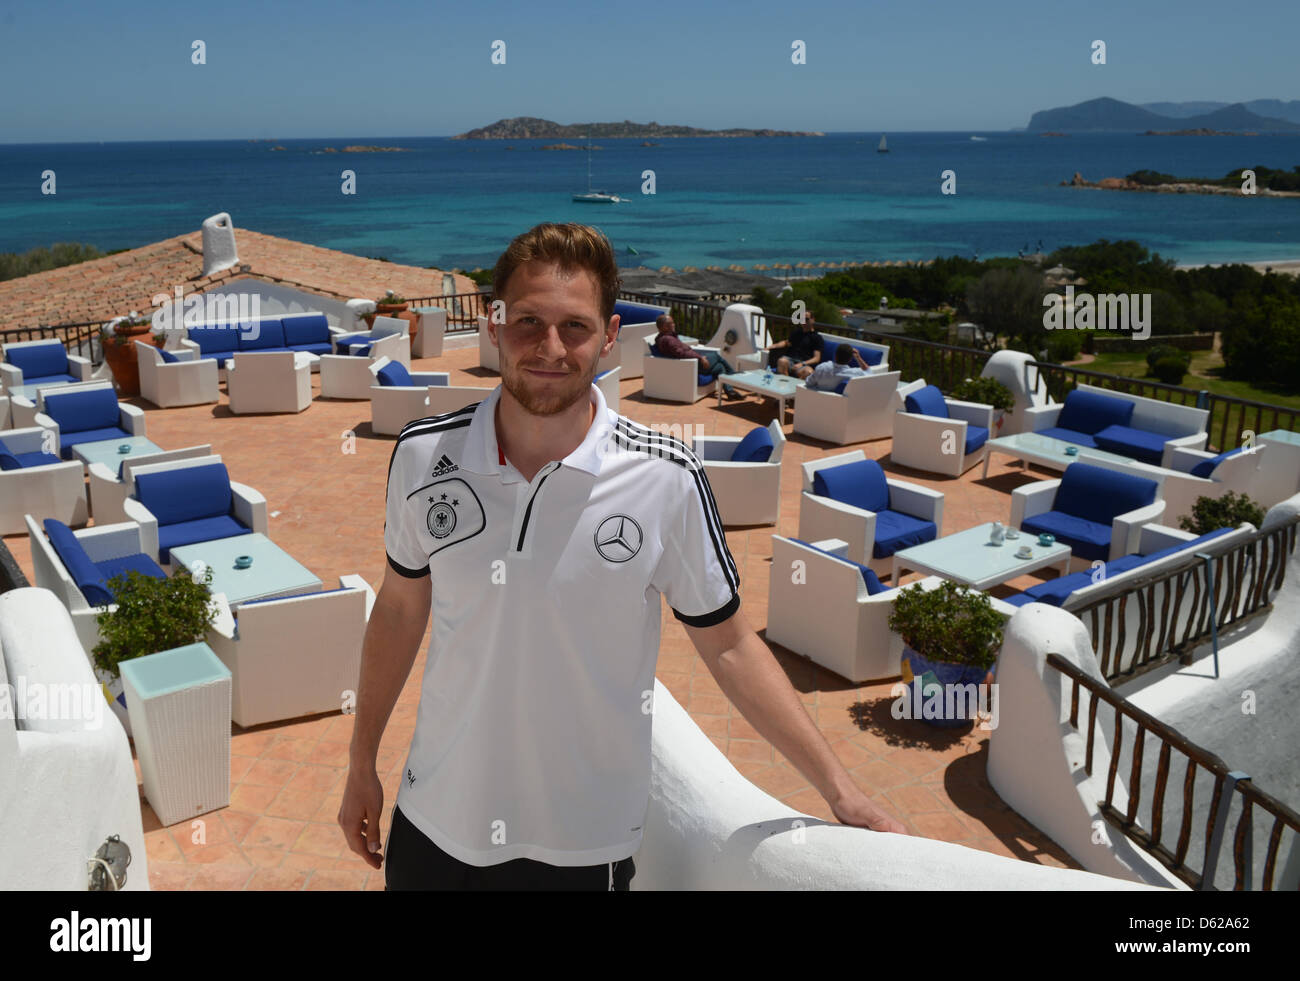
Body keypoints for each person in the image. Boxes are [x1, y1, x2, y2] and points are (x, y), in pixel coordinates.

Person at [338, 222, 907, 891]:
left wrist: (840, 788)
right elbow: (401, 610)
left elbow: (729, 645)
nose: (550, 348)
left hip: (582, 849)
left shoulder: (665, 477)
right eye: (527, 321)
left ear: (608, 337)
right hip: (435, 827)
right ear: (494, 325)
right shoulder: (423, 456)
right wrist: (360, 761)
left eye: (574, 327)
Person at [652, 313, 740, 397]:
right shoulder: (668, 339)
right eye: (671, 323)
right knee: (716, 356)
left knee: (720, 367)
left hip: (690, 363)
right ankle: (733, 375)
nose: (674, 324)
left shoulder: (662, 337)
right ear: (665, 326)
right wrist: (700, 357)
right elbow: (681, 353)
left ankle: (730, 391)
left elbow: (680, 351)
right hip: (691, 366)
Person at [805, 343, 873, 392]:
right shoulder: (854, 373)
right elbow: (869, 372)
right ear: (850, 359)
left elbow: (808, 383)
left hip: (815, 400)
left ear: (835, 356)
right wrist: (858, 357)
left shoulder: (821, 367)